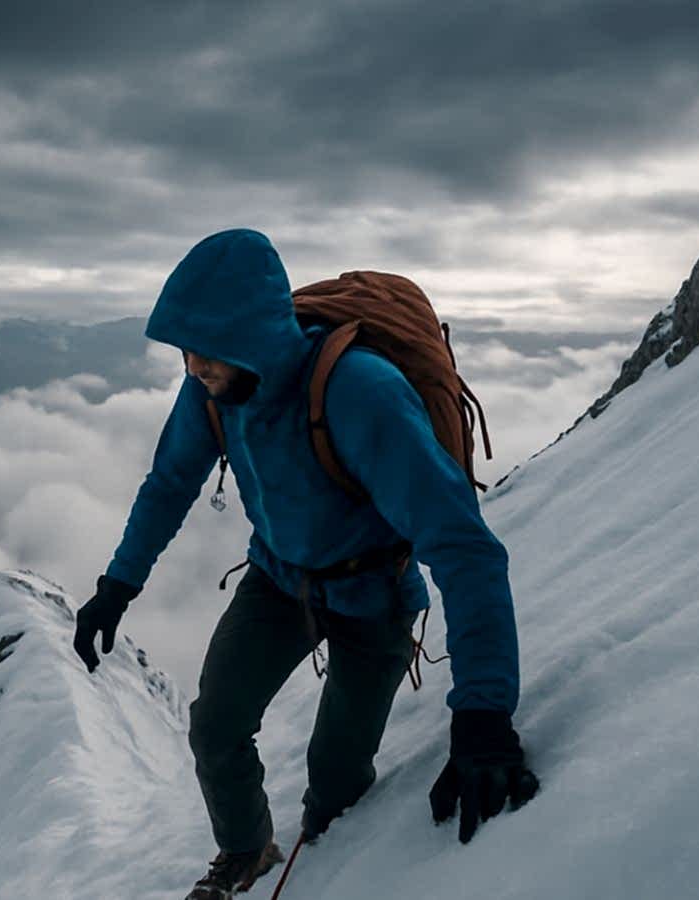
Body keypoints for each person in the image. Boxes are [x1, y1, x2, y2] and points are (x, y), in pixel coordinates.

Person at [72, 229, 538, 899]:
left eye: (204, 349)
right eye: (184, 349)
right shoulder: (213, 389)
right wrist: (118, 585)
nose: (191, 366)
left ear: (250, 337)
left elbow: (465, 551)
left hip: (374, 594)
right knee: (216, 726)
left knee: (337, 784)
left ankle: (330, 863)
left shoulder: (360, 394)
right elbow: (170, 482)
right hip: (277, 578)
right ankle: (246, 853)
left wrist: (484, 717)